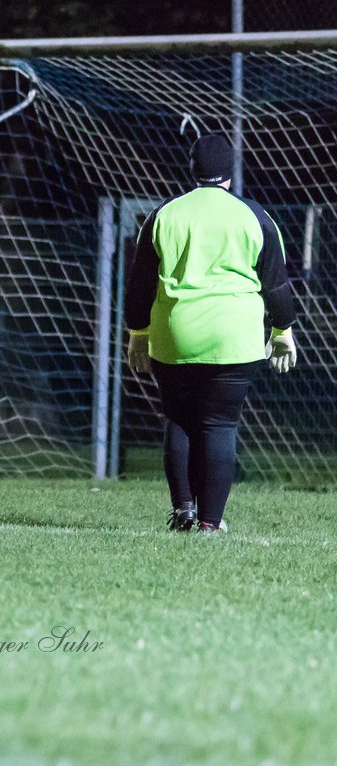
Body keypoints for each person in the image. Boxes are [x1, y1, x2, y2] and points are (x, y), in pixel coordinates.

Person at [124, 132, 298, 533]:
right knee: (219, 425)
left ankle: (183, 511)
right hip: (235, 338)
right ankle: (209, 523)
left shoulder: (164, 214)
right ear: (230, 175)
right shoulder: (255, 215)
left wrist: (138, 332)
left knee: (180, 421)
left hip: (177, 334)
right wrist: (283, 330)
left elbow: (139, 285)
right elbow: (276, 284)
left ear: (192, 170)